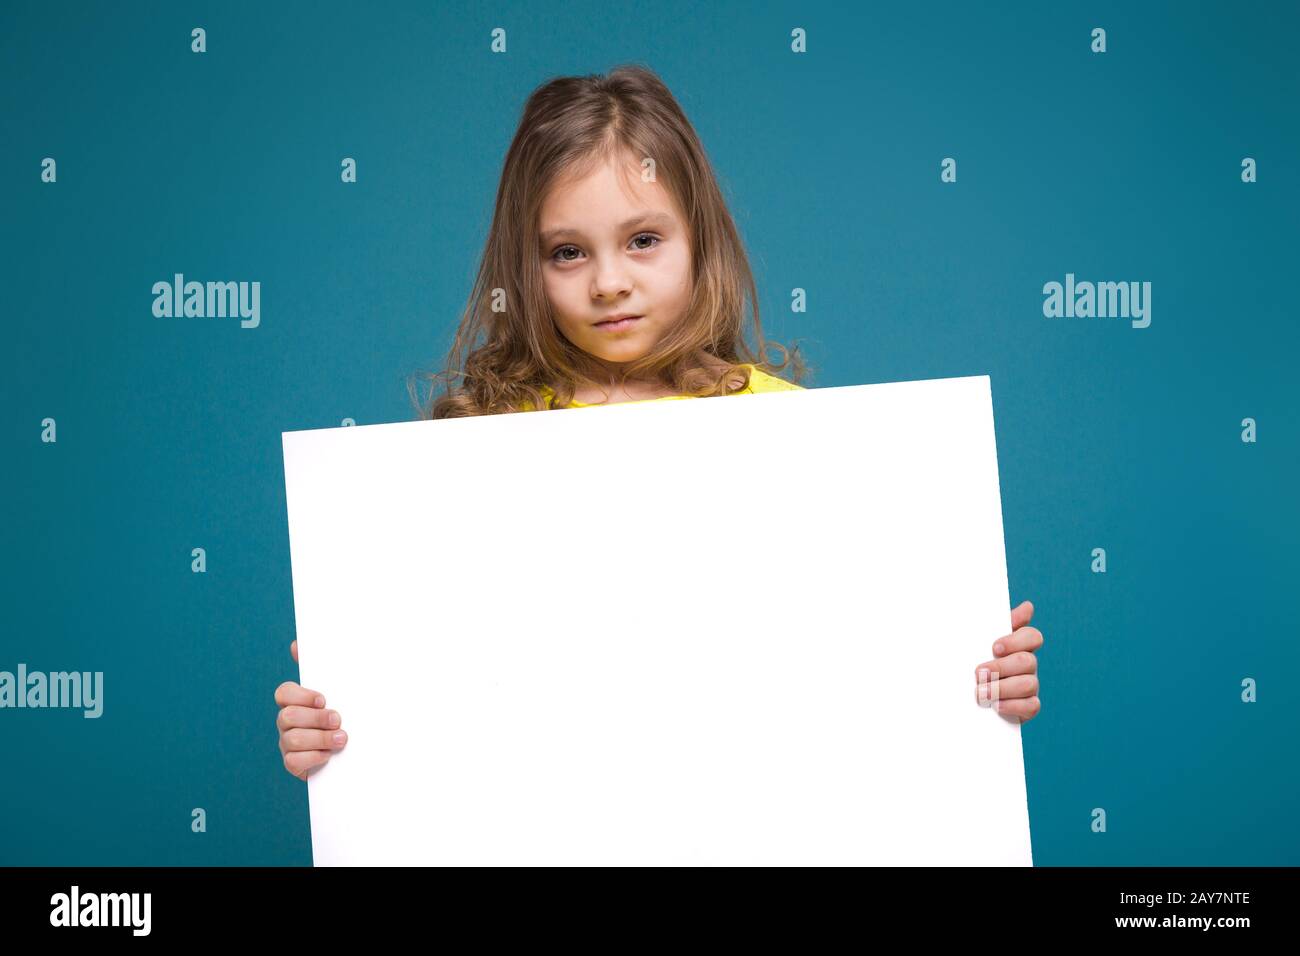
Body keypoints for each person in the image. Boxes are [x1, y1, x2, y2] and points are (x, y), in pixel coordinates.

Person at [275, 65, 1043, 781]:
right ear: (525, 268)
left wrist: (977, 674)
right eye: (568, 252)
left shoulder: (789, 434)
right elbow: (440, 681)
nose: (611, 283)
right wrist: (345, 713)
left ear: (699, 238)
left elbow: (857, 656)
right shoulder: (482, 443)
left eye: (643, 240)